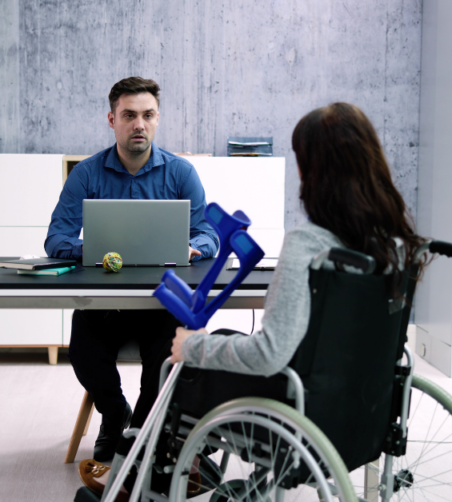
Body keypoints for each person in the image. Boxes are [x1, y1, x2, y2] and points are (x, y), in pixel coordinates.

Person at [171, 102, 426, 378]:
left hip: (299, 397)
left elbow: (269, 354)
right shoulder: (395, 244)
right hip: (357, 395)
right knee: (220, 335)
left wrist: (195, 347)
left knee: (190, 359)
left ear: (313, 171)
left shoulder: (307, 245)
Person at [44, 76, 219, 462]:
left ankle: (139, 428)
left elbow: (208, 234)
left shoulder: (180, 173)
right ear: (112, 120)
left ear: (157, 119)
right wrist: (97, 249)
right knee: (83, 351)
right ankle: (113, 414)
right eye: (129, 115)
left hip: (161, 302)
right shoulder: (86, 174)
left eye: (147, 115)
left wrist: (192, 247)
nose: (139, 123)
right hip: (106, 303)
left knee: (168, 355)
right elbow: (56, 239)